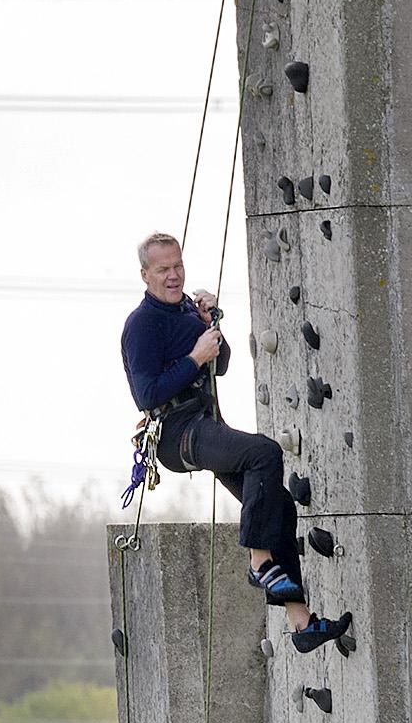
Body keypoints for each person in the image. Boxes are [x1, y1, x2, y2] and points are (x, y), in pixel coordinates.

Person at [120, 233, 351, 652]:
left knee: (276, 503)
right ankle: (258, 559)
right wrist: (194, 357)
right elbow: (146, 395)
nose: (174, 276)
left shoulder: (189, 309)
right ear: (145, 275)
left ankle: (301, 623)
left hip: (205, 423)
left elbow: (221, 364)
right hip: (177, 434)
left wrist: (210, 325)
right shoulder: (141, 325)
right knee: (265, 452)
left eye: (178, 266)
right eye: (163, 270)